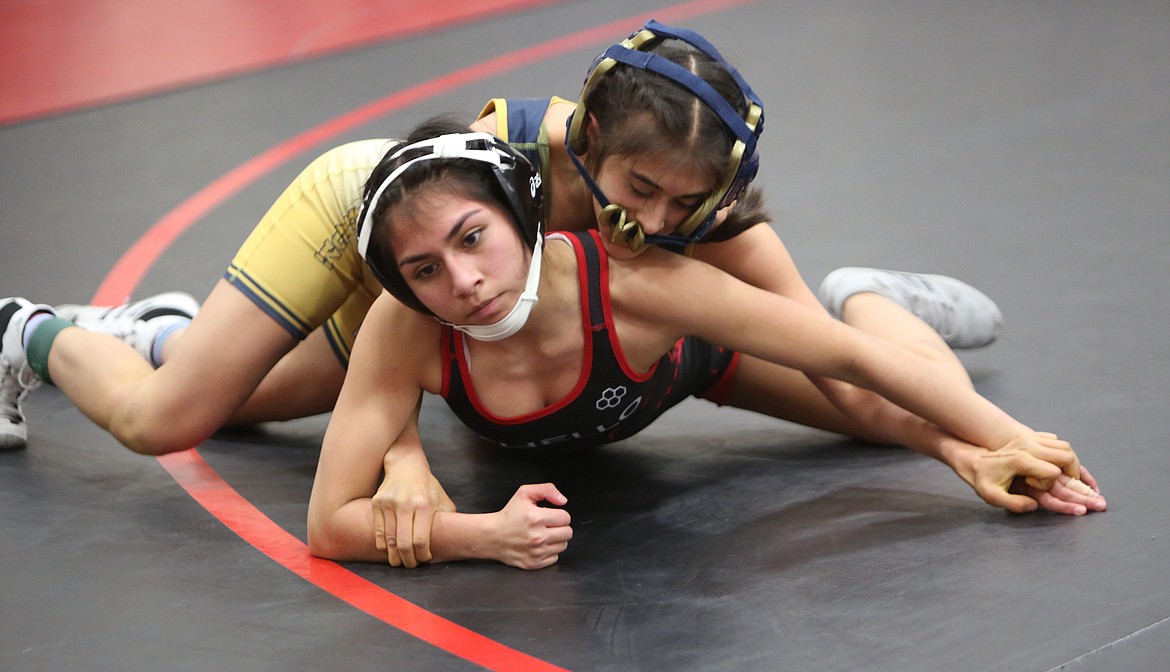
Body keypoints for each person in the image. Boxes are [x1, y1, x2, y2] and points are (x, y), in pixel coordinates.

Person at [2, 20, 998, 458]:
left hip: (487, 326)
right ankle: (29, 331)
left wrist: (953, 437)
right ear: (589, 137)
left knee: (868, 401)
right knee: (180, 421)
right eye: (640, 192)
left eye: (682, 208)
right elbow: (403, 310)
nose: (654, 224)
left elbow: (822, 357)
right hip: (376, 242)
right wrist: (401, 461)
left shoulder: (698, 200)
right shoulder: (490, 170)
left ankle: (871, 290)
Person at [305, 121, 1105, 571]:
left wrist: (992, 444)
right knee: (255, 398)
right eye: (426, 269)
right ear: (404, 284)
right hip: (598, 402)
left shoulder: (638, 285)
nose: (465, 280)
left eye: (474, 237)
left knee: (877, 404)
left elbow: (847, 359)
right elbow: (328, 524)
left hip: (694, 366)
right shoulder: (406, 330)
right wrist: (478, 536)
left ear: (520, 213)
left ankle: (868, 294)